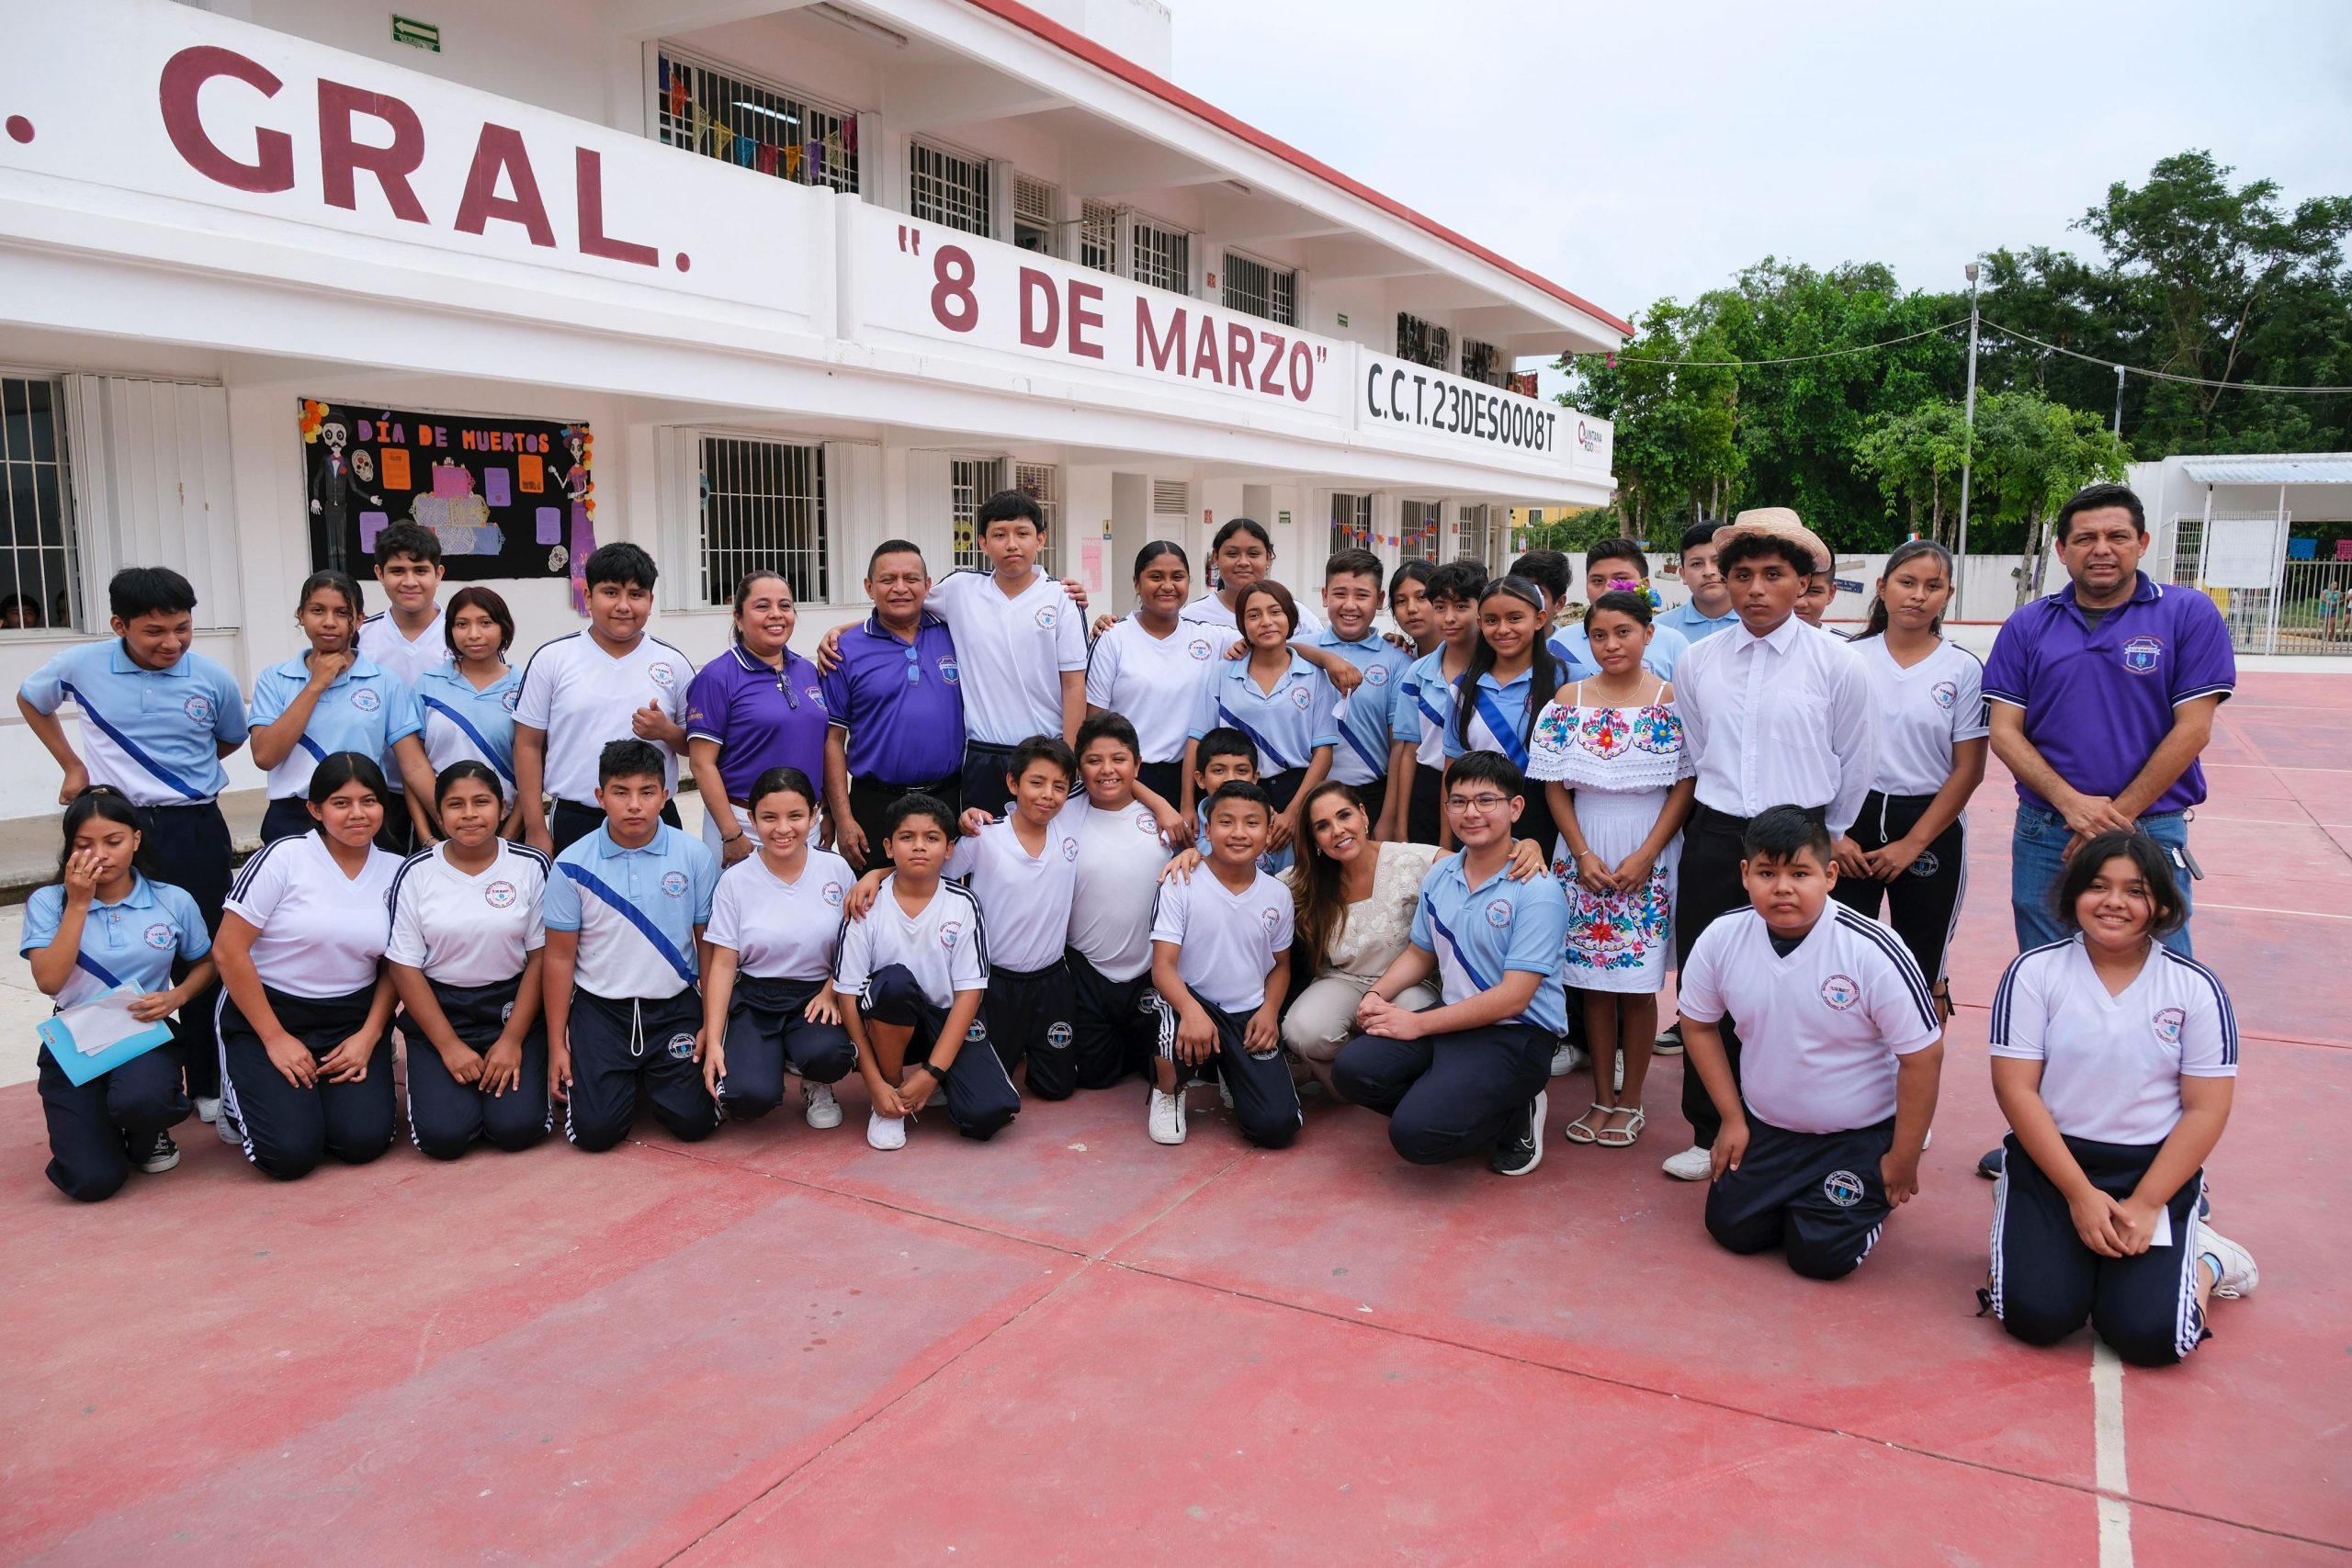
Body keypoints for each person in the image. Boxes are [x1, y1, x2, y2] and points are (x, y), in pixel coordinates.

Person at [1977, 483, 2235, 1180]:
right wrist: (2072, 806)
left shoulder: (2186, 614)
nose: (2102, 549)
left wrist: (2109, 819)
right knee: (2049, 988)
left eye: (2117, 535)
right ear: (2061, 550)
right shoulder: (2029, 625)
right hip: (2046, 833)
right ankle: (2048, 1150)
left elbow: (2194, 728)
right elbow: (2005, 731)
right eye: (2085, 538)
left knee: (2163, 992)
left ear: (2142, 543)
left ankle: (2171, 1170)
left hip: (2150, 832)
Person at [1982, 832, 2256, 1363]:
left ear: (2163, 905)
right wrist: (2079, 1195)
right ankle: (2020, 1214)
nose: (2114, 902)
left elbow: (2206, 1108)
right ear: (2074, 895)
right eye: (2098, 886)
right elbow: (2016, 1090)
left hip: (2148, 1171)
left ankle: (2209, 1261)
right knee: (2034, 1316)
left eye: (2136, 890)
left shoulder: (2195, 988)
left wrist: (2148, 1202)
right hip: (2054, 1164)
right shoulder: (2034, 973)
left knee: (2152, 1337)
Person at [1662, 512, 1877, 1182]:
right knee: (1707, 980)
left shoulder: (1838, 663)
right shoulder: (1698, 661)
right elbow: (1698, 746)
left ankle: (1793, 1123)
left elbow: (1856, 758)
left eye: (1773, 575)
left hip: (1802, 833)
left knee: (1800, 982)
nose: (1756, 588)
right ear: (1724, 580)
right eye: (1743, 574)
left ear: (1803, 583)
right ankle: (1709, 1128)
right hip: (1717, 830)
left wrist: (1827, 835)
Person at [17, 566, 247, 1129]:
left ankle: (210, 1084)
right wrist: (72, 765)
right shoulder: (81, 664)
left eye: (183, 628)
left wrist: (179, 773)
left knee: (203, 953)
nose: (172, 643)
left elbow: (229, 737)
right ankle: (119, 1074)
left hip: (194, 825)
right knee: (110, 948)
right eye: (154, 632)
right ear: (120, 626)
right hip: (114, 826)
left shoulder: (212, 677)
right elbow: (30, 699)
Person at [1677, 806, 1944, 1279]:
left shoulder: (1872, 948)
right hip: (1770, 1125)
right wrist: (1733, 1119)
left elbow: (1923, 1056)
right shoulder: (1722, 938)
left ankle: (1859, 1198)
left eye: (1800, 873)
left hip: (1856, 1134)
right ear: (1745, 874)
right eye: (1767, 873)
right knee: (1732, 1229)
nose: (1783, 887)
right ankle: (1804, 1197)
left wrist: (1902, 1158)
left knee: (1819, 1257)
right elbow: (1697, 1025)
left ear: (1830, 875)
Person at [1335, 750, 1572, 1177]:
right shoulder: (1440, 875)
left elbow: (1514, 998)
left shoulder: (1538, 891)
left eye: (1486, 800)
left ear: (1516, 808)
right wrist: (1375, 994)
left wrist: (1417, 1024)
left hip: (1516, 1034)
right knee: (1354, 1072)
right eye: (1459, 801)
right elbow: (1420, 953)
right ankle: (1453, 1097)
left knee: (1416, 1138)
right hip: (1455, 1017)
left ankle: (1516, 1110)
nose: (1471, 813)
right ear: (1447, 808)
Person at [1529, 591, 1696, 1149]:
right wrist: (1580, 854)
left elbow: (1685, 783)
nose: (1611, 645)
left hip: (1649, 846)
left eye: (1623, 632)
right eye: (1598, 635)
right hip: (1584, 850)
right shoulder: (1569, 698)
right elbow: (1554, 785)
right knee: (1593, 986)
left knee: (1639, 985)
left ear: (1649, 634)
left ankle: (1633, 1100)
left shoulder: (1672, 699)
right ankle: (1602, 1097)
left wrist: (1648, 853)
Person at [1281, 779, 1546, 1099]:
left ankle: (1409, 1092)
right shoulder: (1305, 880)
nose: (1337, 830)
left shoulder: (1410, 859)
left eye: (1344, 815)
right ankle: (1350, 1091)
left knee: (1413, 1017)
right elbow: (1250, 886)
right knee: (1302, 1030)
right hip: (1344, 980)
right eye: (1322, 826)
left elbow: (1479, 862)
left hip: (1411, 982)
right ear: (1314, 839)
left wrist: (1527, 844)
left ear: (1363, 814)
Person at [212, 753, 403, 1179]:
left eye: (369, 801)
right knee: (290, 1155)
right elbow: (228, 951)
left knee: (363, 1142)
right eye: (341, 803)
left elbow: (397, 965)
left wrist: (369, 1036)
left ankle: (312, 1102)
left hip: (350, 1019)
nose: (357, 813)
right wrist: (275, 1038)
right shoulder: (284, 857)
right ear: (315, 810)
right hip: (269, 1013)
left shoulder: (397, 871)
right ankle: (239, 1092)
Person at [23, 788, 213, 1200]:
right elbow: (50, 981)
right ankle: (103, 1128)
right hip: (76, 1038)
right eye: (84, 845)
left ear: (136, 839)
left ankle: (147, 1130)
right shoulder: (49, 902)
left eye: (113, 841)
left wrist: (177, 997)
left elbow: (207, 963)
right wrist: (78, 904)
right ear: (69, 847)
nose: (100, 855)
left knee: (143, 1101)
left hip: (143, 1033)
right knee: (92, 1181)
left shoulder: (171, 899)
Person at [1830, 541, 1988, 1018]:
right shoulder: (1847, 658)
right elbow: (1819, 752)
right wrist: (1833, 834)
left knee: (1923, 964)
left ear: (1948, 596)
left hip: (1928, 824)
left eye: (1933, 586)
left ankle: (1918, 1061)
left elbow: (1969, 769)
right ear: (1883, 588)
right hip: (1850, 821)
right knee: (1841, 958)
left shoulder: (1963, 669)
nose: (1918, 595)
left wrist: (1911, 845)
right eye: (1907, 582)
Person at [541, 739, 720, 1152]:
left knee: (694, 1123)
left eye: (647, 792)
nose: (634, 805)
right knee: (596, 1134)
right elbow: (559, 958)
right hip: (601, 1010)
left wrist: (712, 1027)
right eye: (621, 792)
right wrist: (556, 1046)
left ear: (666, 795)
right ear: (600, 796)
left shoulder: (694, 856)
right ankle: (625, 1077)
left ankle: (649, 1077)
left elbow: (708, 947)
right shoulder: (571, 864)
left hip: (674, 1007)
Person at [833, 794, 1020, 1149]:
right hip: (888, 1021)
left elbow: (969, 996)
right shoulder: (866, 904)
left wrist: (932, 1074)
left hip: (945, 1022)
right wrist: (875, 1085)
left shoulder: (964, 903)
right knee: (894, 984)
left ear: (949, 849)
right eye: (907, 837)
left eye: (931, 838)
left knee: (988, 1113)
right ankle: (891, 1100)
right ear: (889, 847)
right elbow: (847, 997)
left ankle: (932, 1081)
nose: (919, 846)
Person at [385, 761, 551, 1159]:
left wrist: (511, 1040)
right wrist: (448, 1046)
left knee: (516, 1129)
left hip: (511, 1009)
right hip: (441, 1010)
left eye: (481, 802)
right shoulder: (415, 872)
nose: (470, 814)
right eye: (456, 805)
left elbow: (541, 958)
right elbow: (404, 967)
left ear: (503, 807)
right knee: (444, 1138)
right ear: (439, 814)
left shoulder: (530, 866)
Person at [698, 767, 857, 1132]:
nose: (783, 828)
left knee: (829, 1055)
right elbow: (723, 964)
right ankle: (764, 1058)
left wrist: (832, 990)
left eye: (795, 816)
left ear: (814, 816)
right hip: (756, 996)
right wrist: (714, 1038)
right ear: (752, 819)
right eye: (769, 817)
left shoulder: (835, 869)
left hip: (817, 995)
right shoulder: (735, 880)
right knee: (746, 1097)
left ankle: (816, 1081)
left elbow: (855, 945)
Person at [1145, 780, 1302, 1148]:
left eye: (1252, 823)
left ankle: (1234, 1074)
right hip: (1192, 1001)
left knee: (1277, 1128)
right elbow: (1163, 967)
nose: (1239, 833)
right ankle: (1168, 1091)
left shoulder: (1278, 894)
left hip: (1248, 1012)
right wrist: (1191, 1010)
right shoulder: (1180, 882)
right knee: (1166, 1018)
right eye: (1226, 822)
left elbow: (1281, 965)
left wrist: (1269, 1011)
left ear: (1269, 830)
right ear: (1208, 827)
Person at [514, 543, 694, 855]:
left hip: (655, 818)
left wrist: (666, 731)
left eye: (636, 594)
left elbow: (698, 747)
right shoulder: (552, 659)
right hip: (576, 818)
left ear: (650, 602)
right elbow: (527, 745)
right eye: (611, 592)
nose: (623, 606)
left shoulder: (673, 663)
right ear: (588, 596)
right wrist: (534, 827)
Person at [920, 491, 1087, 818]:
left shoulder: (1062, 598)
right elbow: (904, 606)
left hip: (1046, 753)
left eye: (1022, 533)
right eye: (999, 535)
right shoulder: (959, 589)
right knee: (985, 845)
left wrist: (1069, 757)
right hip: (983, 754)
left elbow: (1074, 684)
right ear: (983, 543)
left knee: (1050, 845)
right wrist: (844, 630)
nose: (1012, 544)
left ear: (1040, 540)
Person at [248, 570, 435, 848]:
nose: (329, 622)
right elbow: (265, 756)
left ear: (359, 620)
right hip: (293, 817)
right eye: (317, 610)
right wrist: (316, 685)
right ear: (301, 615)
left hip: (363, 816)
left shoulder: (384, 682)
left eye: (342, 612)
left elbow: (414, 764)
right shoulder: (275, 679)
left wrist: (447, 820)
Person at [942, 736, 1086, 1092]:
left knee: (1056, 1088)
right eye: (1036, 782)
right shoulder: (984, 837)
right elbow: (938, 879)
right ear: (1012, 782)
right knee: (987, 1091)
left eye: (1059, 786)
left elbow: (1115, 782)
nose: (1047, 795)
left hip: (1051, 979)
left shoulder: (1071, 828)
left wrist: (1163, 808)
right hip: (995, 981)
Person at [820, 541, 968, 872]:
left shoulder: (956, 634)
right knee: (872, 895)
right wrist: (843, 819)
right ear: (869, 587)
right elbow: (832, 740)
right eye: (887, 580)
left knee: (945, 895)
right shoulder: (843, 651)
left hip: (948, 798)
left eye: (911, 579)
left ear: (927, 586)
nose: (900, 588)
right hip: (875, 803)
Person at [1060, 715, 1176, 1095]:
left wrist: (1189, 850)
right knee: (1094, 1076)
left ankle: (1132, 1036)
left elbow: (1200, 862)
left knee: (1161, 1067)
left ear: (1137, 765)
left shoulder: (1164, 821)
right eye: (1094, 761)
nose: (1107, 770)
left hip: (1150, 970)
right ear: (1079, 770)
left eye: (1119, 759)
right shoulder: (1063, 815)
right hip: (1088, 969)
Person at [685, 570, 830, 868]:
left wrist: (826, 811)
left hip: (805, 823)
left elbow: (820, 747)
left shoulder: (807, 670)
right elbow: (701, 763)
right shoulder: (717, 677)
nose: (776, 614)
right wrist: (731, 834)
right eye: (762, 606)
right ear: (738, 618)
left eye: (785, 606)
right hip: (744, 826)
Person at [1185, 581, 1337, 849]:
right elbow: (1197, 738)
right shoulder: (1224, 671)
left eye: (1275, 612)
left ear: (1290, 618)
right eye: (1254, 615)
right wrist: (1187, 804)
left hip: (1295, 791)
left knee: (1292, 870)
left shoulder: (1314, 675)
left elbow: (1323, 751)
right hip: (1235, 789)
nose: (1266, 622)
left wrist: (1293, 813)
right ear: (1243, 626)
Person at [1444, 576, 1568, 860]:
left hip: (1552, 818)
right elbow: (1452, 768)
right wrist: (1447, 843)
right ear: (1480, 623)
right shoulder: (1463, 688)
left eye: (1515, 618)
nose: (1502, 629)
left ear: (1539, 619)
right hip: (1482, 817)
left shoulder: (1569, 681)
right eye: (1491, 620)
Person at [1086, 541, 1215, 806]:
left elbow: (1272, 643)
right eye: (1156, 577)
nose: (1167, 585)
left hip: (1191, 780)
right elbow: (1093, 726)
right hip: (1128, 779)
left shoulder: (1211, 637)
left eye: (1177, 577)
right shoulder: (1112, 638)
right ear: (1137, 583)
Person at [357, 522, 450, 854]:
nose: (409, 581)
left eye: (420, 570)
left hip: (447, 792)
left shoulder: (464, 634)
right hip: (379, 792)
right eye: (397, 570)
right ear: (379, 574)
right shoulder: (361, 638)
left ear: (438, 574)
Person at [1311, 549, 1416, 834]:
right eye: (1339, 594)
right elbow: (1277, 649)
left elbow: (1399, 748)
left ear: (1380, 600)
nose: (1350, 605)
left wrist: (1388, 818)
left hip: (1370, 795)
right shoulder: (1301, 648)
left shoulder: (1398, 660)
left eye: (1361, 595)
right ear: (1324, 596)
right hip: (1308, 793)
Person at [1385, 561, 1485, 846]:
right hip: (1427, 791)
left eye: (1461, 606)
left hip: (1484, 790)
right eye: (1440, 607)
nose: (1449, 618)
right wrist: (1401, 828)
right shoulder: (1417, 673)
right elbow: (1408, 751)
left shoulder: (1496, 671)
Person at [413, 586, 524, 835]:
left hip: (508, 825)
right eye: (462, 624)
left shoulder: (525, 687)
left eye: (485, 623)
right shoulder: (427, 686)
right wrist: (426, 834)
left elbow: (535, 769)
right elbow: (412, 766)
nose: (474, 634)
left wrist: (508, 837)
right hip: (441, 825)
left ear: (504, 627)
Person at [1550, 538, 1690, 681]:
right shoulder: (1562, 642)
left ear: (1645, 585)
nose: (1608, 590)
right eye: (1597, 581)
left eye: (1621, 579)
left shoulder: (1673, 643)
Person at [1177, 517, 1326, 636]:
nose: (1243, 562)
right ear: (1215, 557)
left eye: (1253, 554)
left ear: (1268, 558)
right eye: (1232, 554)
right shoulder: (1192, 617)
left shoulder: (1297, 615)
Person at [1189, 728, 1297, 876]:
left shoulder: (1275, 830)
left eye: (1241, 770)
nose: (1230, 779)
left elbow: (1288, 882)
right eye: (1219, 770)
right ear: (1201, 779)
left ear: (1254, 778)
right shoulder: (1186, 832)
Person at [1655, 519, 1740, 642]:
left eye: (1718, 561)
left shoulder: (1759, 624)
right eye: (1696, 564)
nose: (1708, 572)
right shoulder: (1659, 629)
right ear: (1683, 574)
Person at [1388, 560, 1439, 658]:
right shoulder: (1400, 658)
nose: (1411, 609)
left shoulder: (1466, 656)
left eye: (1421, 597)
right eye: (1401, 601)